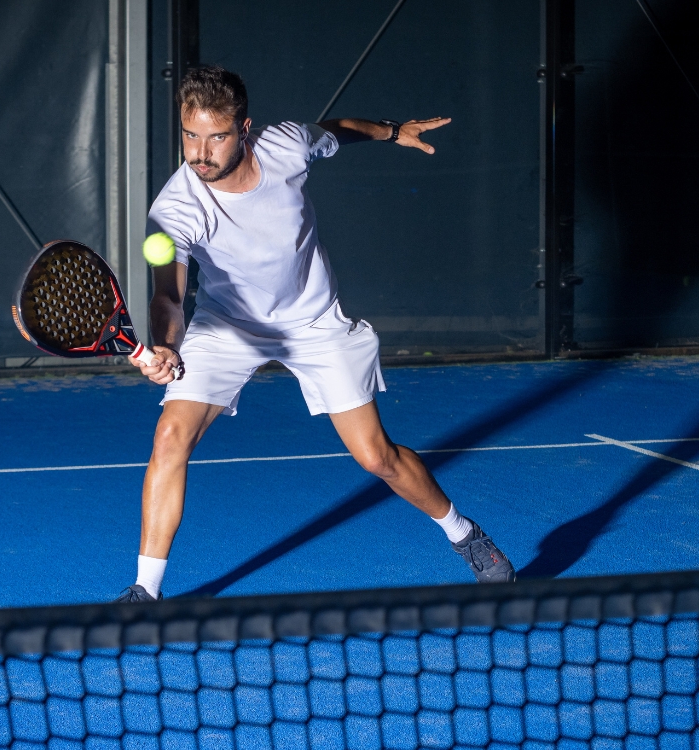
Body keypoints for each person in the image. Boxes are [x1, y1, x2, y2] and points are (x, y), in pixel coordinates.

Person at [115, 65, 514, 602]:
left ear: (245, 129)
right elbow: (169, 294)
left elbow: (339, 129)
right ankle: (147, 590)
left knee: (377, 458)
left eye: (216, 137)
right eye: (190, 135)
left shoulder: (287, 145)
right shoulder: (175, 208)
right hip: (228, 326)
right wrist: (164, 343)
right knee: (170, 436)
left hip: (314, 323)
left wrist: (393, 130)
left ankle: (464, 534)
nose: (200, 153)